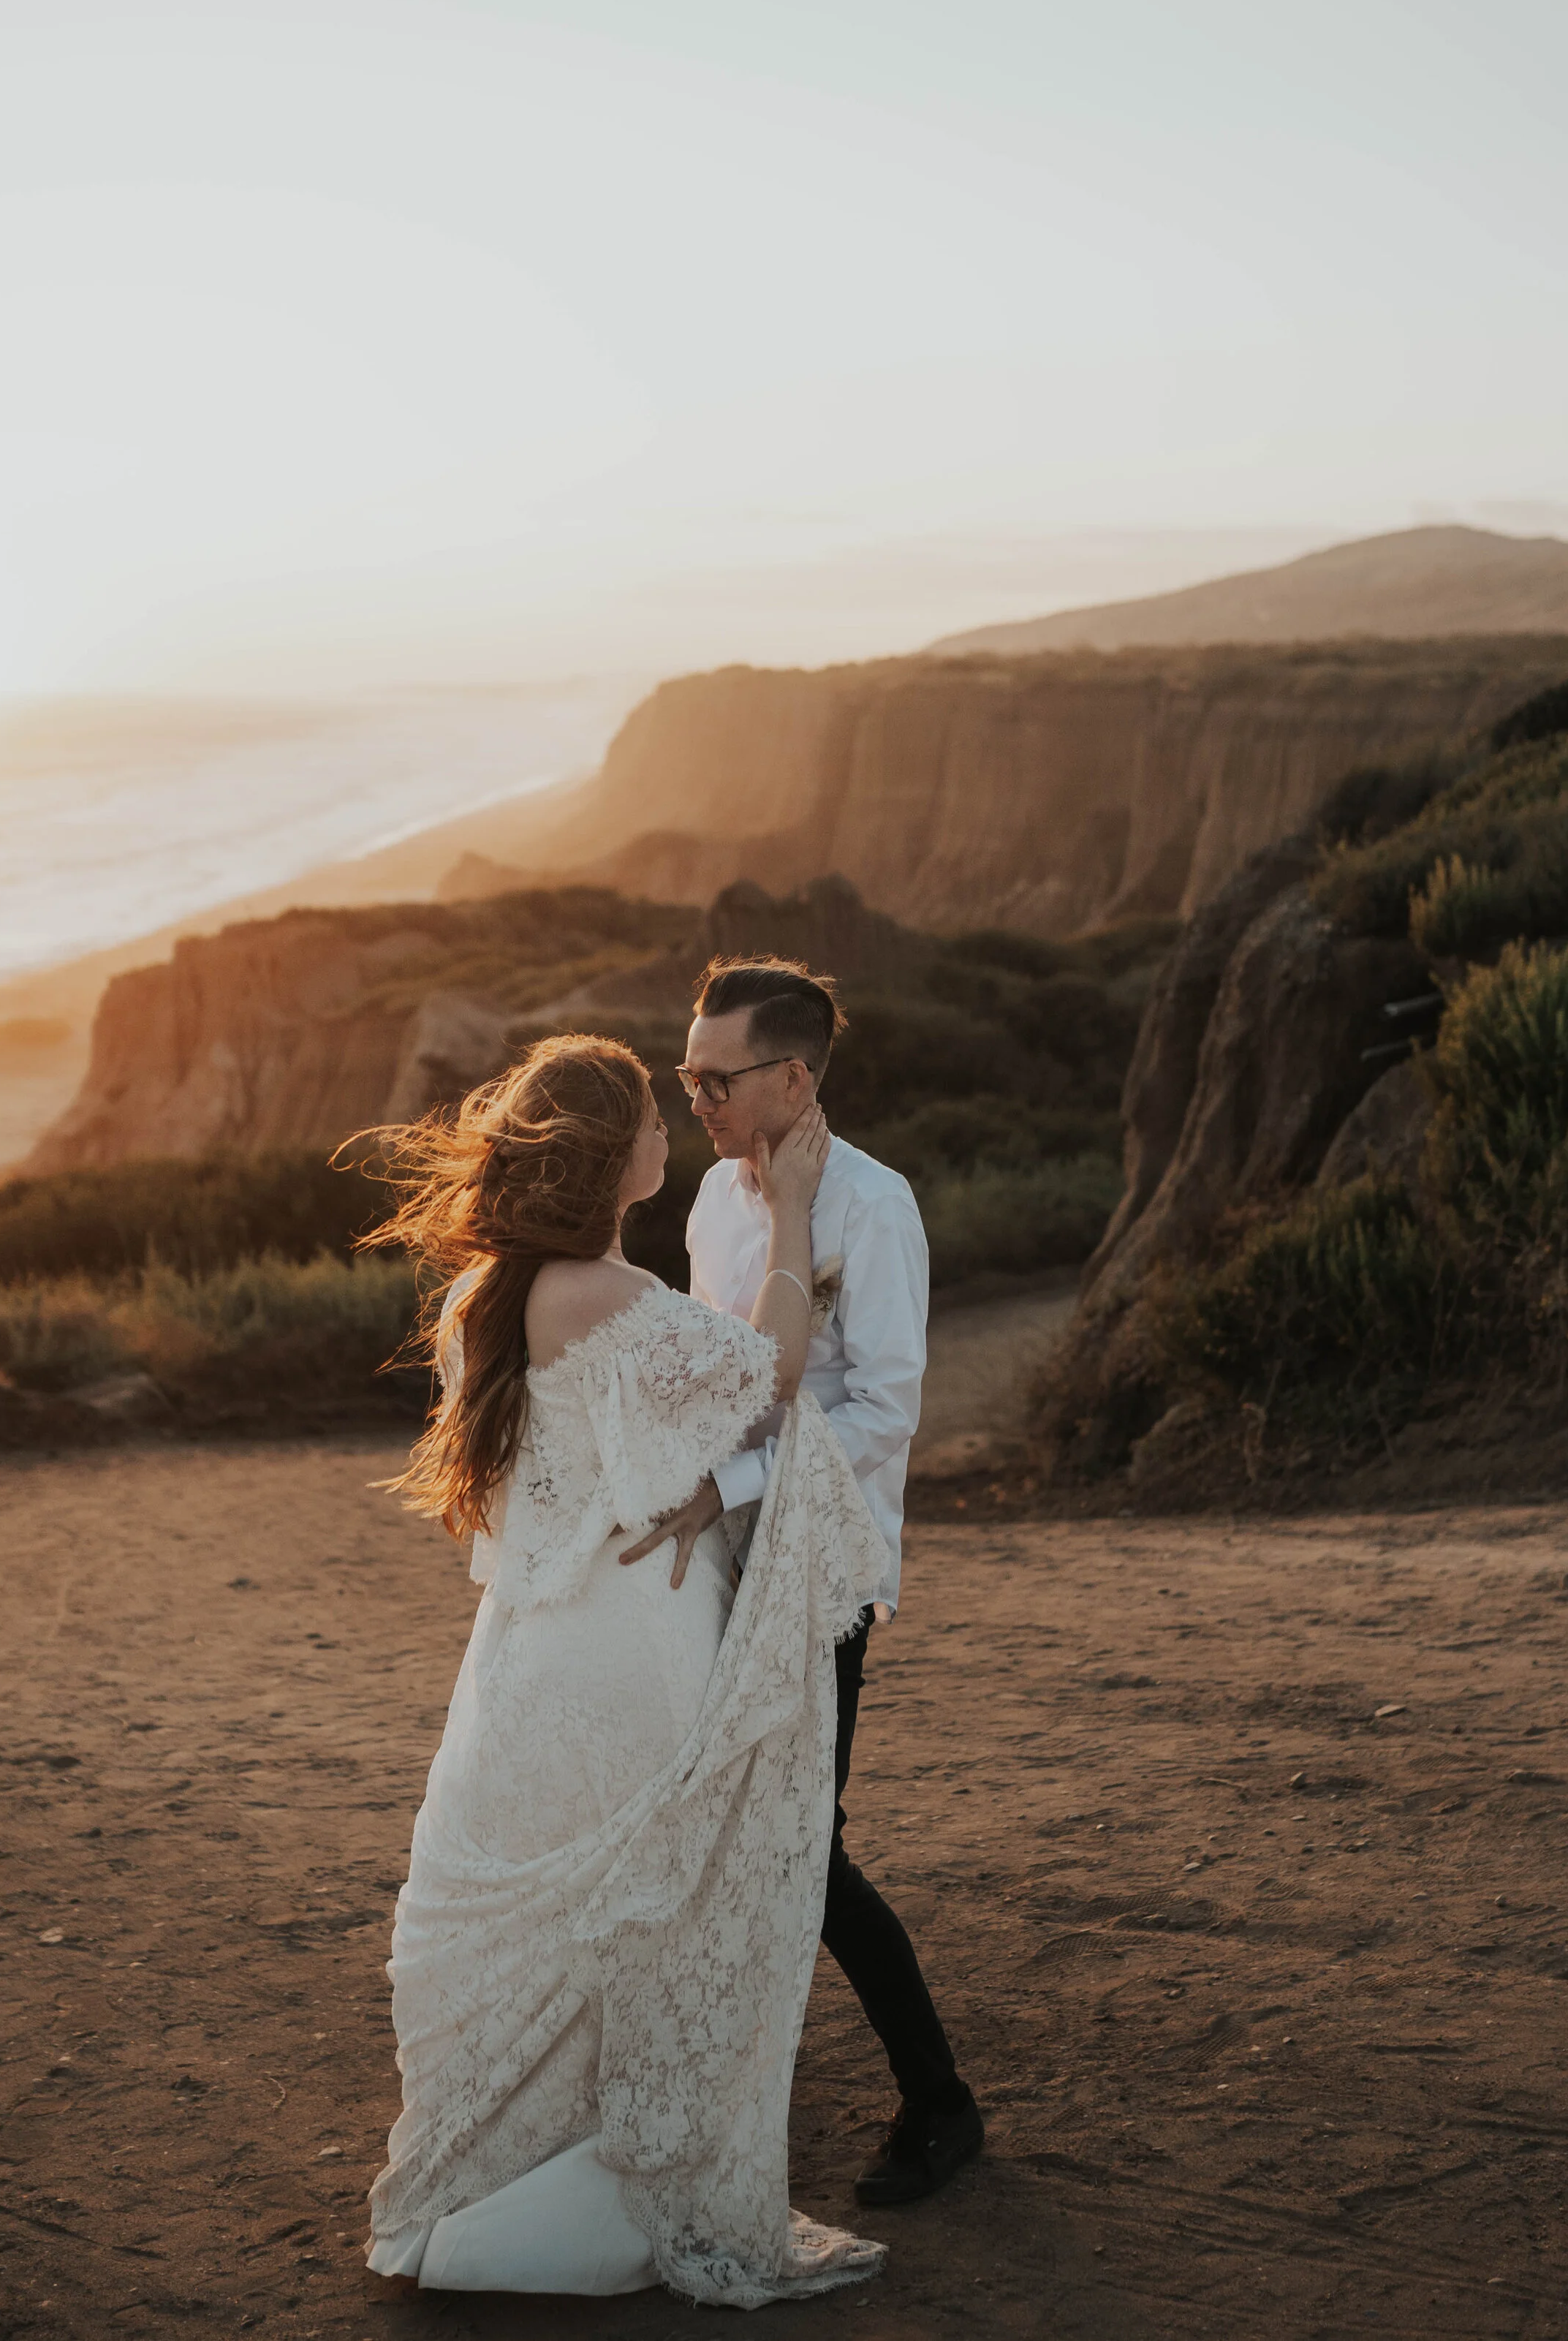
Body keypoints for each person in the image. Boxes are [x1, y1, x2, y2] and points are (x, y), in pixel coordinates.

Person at [359, 1033, 888, 2305]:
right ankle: (626, 2178)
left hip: (526, 1660)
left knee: (564, 1926)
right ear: (617, 1159)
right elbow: (768, 1377)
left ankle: (531, 2158)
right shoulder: (598, 1293)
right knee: (644, 1910)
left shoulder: (483, 1292)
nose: (671, 1125)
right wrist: (797, 1211)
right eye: (655, 1112)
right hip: (625, 1649)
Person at [641, 956, 985, 2206]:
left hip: (819, 1568)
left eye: (716, 1077)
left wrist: (729, 1492)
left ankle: (941, 2103)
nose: (697, 1098)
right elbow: (711, 1371)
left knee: (805, 1844)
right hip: (715, 1558)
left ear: (793, 1076)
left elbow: (883, 1410)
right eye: (687, 1076)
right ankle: (742, 2080)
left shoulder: (875, 1207)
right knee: (732, 1827)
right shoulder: (716, 1205)